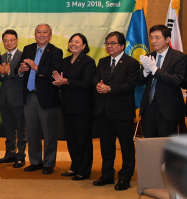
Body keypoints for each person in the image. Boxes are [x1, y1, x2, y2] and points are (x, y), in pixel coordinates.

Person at [92, 31, 138, 191]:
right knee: (106, 146)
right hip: (104, 111)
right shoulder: (103, 61)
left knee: (126, 146)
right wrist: (98, 86)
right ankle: (107, 175)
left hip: (122, 112)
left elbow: (131, 85)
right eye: (107, 43)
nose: (109, 46)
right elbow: (96, 79)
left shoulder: (131, 63)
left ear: (122, 45)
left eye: (113, 43)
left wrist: (110, 88)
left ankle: (125, 177)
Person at [16, 23, 63, 175]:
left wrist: (37, 68)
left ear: (50, 35)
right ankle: (35, 161)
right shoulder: (28, 49)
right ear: (34, 34)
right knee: (31, 131)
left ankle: (49, 163)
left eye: (45, 32)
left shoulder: (56, 52)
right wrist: (21, 70)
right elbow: (19, 68)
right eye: (38, 32)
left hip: (47, 98)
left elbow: (55, 72)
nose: (41, 35)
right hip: (29, 96)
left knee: (49, 132)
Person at [52, 33, 96, 181]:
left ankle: (84, 170)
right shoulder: (65, 61)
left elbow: (87, 84)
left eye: (77, 42)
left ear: (84, 46)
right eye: (71, 41)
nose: (73, 44)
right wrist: (60, 82)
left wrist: (67, 82)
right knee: (71, 138)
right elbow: (61, 79)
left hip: (83, 107)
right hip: (67, 105)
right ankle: (75, 166)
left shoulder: (88, 62)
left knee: (82, 138)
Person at [138, 25, 186, 137]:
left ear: (168, 39)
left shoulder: (179, 57)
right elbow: (140, 82)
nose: (153, 41)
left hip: (168, 109)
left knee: (166, 146)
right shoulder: (149, 56)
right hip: (149, 108)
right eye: (151, 38)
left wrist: (155, 70)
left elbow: (177, 80)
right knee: (150, 145)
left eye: (157, 37)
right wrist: (145, 71)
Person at [0, 29, 26, 168]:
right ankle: (10, 154)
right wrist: (1, 74)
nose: (9, 43)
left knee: (21, 129)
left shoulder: (23, 56)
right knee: (8, 129)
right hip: (4, 99)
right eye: (6, 40)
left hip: (18, 98)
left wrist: (9, 72)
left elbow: (24, 76)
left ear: (17, 40)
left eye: (11, 40)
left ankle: (21, 157)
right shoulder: (1, 57)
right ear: (3, 42)